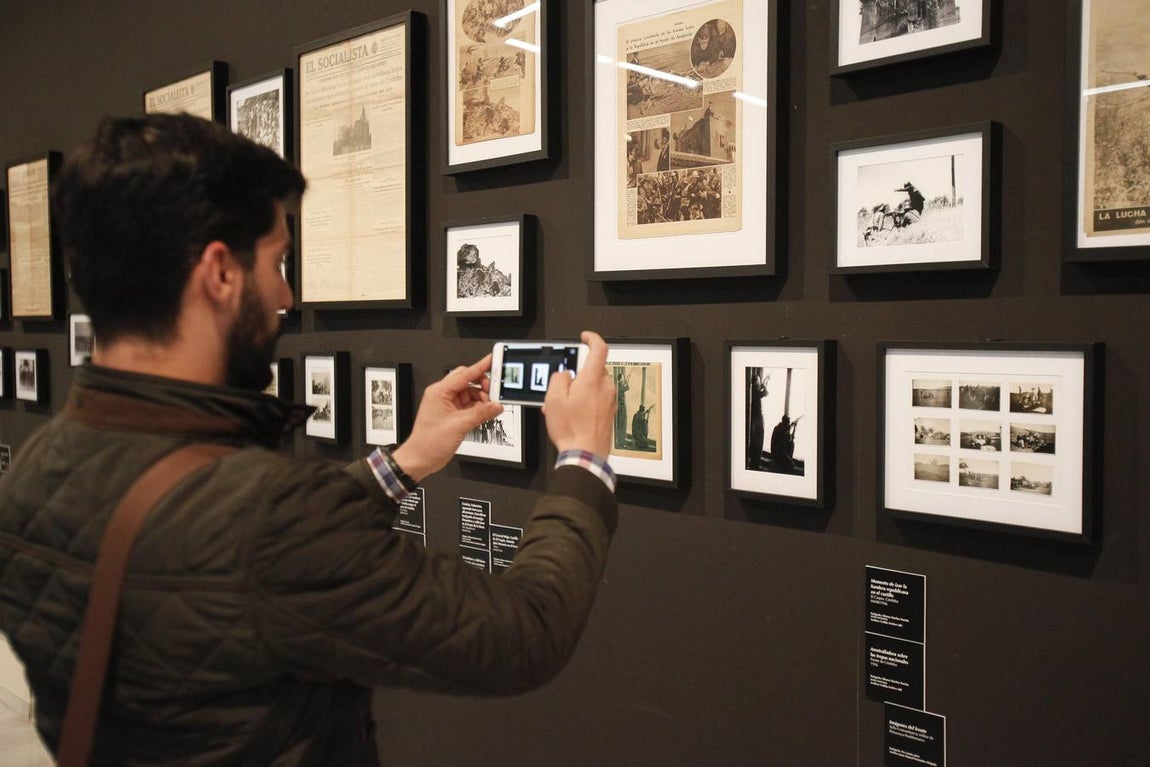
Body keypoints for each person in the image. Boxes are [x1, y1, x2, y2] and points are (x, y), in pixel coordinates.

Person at [0, 113, 619, 766]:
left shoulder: (38, 467)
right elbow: (524, 633)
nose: (287, 295)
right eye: (277, 261)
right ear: (219, 273)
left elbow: (219, 548)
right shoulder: (265, 517)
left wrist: (405, 461)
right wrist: (584, 460)